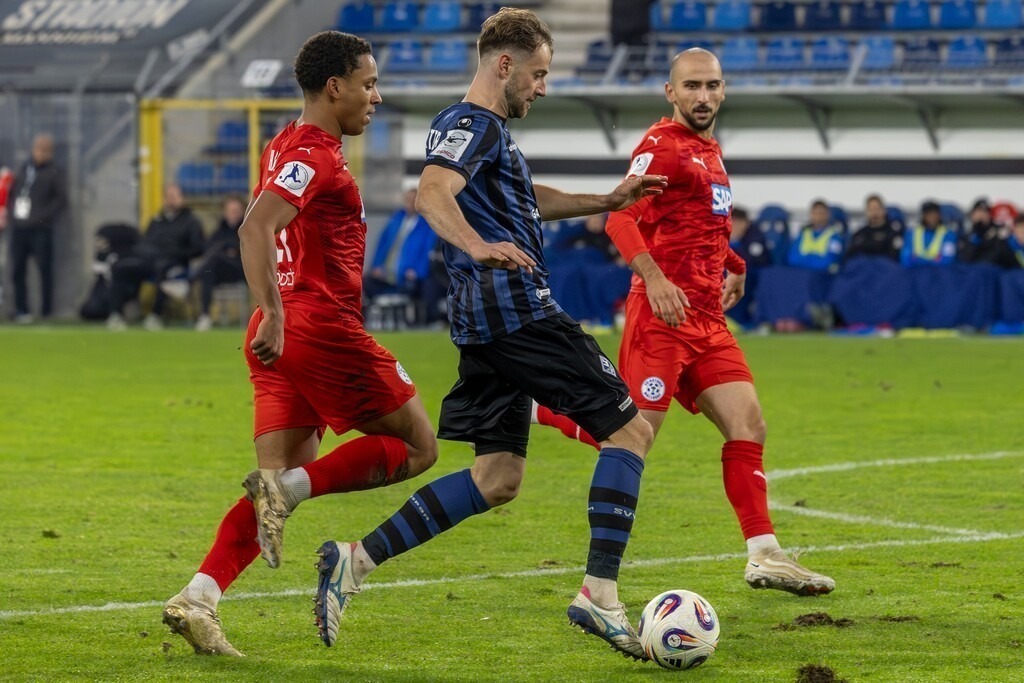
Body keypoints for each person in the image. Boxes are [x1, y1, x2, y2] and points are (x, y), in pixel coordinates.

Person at [312, 8, 667, 660]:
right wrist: (478, 245)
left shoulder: (486, 131)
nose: (543, 87)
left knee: (497, 476)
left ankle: (354, 561)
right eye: (539, 73)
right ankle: (600, 595)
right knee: (630, 432)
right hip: (517, 313)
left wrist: (606, 201)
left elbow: (528, 200)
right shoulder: (472, 123)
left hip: (486, 323)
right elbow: (432, 193)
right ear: (505, 65)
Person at [161, 31, 439, 657]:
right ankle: (289, 495)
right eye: (368, 84)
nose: (376, 96)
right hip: (316, 327)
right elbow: (254, 228)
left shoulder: (283, 144)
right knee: (419, 446)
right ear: (334, 87)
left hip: (279, 336)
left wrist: (271, 314)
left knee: (276, 479)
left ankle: (198, 598)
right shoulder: (316, 154)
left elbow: (264, 226)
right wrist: (277, 311)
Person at [544, 48, 835, 597]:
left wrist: (736, 264)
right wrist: (654, 279)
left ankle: (764, 554)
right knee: (630, 437)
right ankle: (534, 407)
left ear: (723, 90)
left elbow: (703, 227)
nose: (703, 96)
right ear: (671, 92)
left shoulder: (710, 151)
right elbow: (621, 218)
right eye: (692, 86)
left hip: (707, 319)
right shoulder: (662, 146)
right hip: (662, 317)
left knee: (748, 424)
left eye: (712, 86)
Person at [105, 183, 205, 331]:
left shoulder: (192, 222)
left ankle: (155, 316)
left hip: (175, 263)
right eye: (168, 196)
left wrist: (174, 253)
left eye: (174, 196)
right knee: (120, 267)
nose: (171, 200)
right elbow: (145, 242)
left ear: (182, 198)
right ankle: (116, 315)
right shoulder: (156, 221)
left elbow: (198, 248)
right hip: (149, 261)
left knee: (162, 268)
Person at [6, 133, 66, 323]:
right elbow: (13, 193)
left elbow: (61, 200)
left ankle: (46, 311)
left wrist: (42, 218)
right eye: (38, 149)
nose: (41, 153)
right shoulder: (24, 169)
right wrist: (12, 215)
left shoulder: (54, 172)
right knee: (18, 269)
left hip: (41, 229)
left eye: (45, 150)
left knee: (44, 270)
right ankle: (21, 309)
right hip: (20, 227)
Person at [363, 187, 436, 323]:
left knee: (420, 286)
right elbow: (382, 245)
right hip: (387, 272)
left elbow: (427, 251)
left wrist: (417, 271)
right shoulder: (396, 220)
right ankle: (367, 319)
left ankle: (416, 322)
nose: (410, 204)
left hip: (407, 273)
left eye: (413, 201)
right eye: (408, 200)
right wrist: (376, 266)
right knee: (364, 282)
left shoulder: (426, 224)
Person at [191, 196, 246, 331]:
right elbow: (208, 248)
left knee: (214, 259)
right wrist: (226, 250)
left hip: (240, 269)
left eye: (236, 211)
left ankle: (189, 280)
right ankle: (205, 316)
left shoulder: (246, 229)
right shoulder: (220, 230)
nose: (233, 214)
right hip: (221, 269)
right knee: (208, 273)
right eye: (230, 211)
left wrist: (230, 250)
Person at [787, 199, 844, 273]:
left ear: (828, 215)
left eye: (821, 213)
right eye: (815, 213)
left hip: (822, 276)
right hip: (801, 275)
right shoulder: (803, 234)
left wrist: (805, 259)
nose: (818, 216)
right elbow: (792, 259)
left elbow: (829, 261)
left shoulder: (835, 237)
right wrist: (815, 258)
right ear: (811, 215)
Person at [901, 200, 957, 267]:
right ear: (923, 216)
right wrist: (934, 259)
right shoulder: (911, 233)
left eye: (934, 214)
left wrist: (917, 259)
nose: (932, 217)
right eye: (928, 214)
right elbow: (905, 259)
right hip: (916, 272)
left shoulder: (948, 234)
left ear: (939, 216)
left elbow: (947, 260)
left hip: (939, 272)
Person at [846, 194, 901, 262]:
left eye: (877, 209)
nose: (874, 213)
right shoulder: (860, 235)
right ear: (866, 212)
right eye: (871, 210)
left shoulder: (893, 232)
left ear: (884, 210)